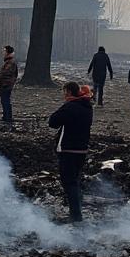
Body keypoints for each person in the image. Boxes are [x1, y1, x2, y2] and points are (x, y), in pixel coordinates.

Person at [47, 81, 93, 223]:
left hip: (68, 149)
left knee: (69, 183)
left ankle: (76, 216)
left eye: (64, 91)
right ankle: (76, 210)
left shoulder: (71, 106)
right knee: (75, 180)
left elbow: (53, 122)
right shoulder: (87, 107)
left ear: (68, 91)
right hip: (82, 149)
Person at [0, 45, 18, 123]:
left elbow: (6, 73)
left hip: (6, 85)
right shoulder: (8, 61)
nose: (3, 52)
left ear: (8, 52)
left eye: (4, 51)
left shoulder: (10, 62)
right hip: (5, 85)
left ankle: (7, 118)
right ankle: (6, 116)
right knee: (4, 101)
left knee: (6, 101)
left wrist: (0, 78)